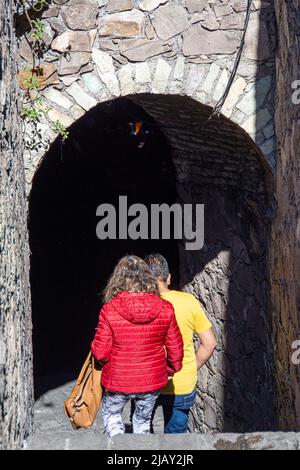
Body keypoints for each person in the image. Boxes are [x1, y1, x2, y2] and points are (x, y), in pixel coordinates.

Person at [91, 255, 183, 437]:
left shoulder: (109, 310)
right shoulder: (166, 308)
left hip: (117, 379)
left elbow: (100, 353)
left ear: (118, 279)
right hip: (151, 380)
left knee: (112, 417)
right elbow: (176, 350)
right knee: (142, 423)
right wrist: (170, 369)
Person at [145, 253, 217, 434]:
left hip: (147, 383)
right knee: (176, 441)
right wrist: (191, 366)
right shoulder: (188, 301)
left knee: (141, 435)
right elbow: (209, 343)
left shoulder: (140, 305)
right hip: (182, 383)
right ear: (168, 278)